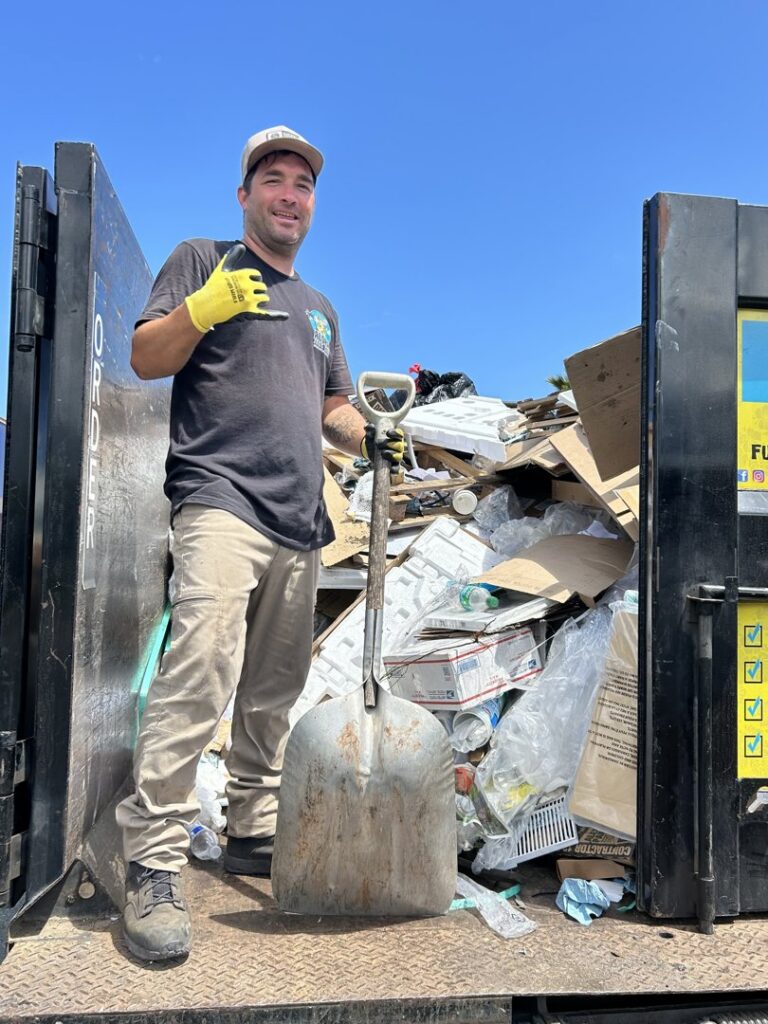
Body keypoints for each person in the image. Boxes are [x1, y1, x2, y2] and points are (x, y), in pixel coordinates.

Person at [116, 126, 405, 962]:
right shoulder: (201, 260)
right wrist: (201, 310)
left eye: (303, 185)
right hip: (218, 501)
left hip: (297, 516)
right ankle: (154, 860)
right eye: (273, 180)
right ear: (245, 196)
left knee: (274, 691)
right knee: (200, 669)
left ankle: (252, 827)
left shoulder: (320, 311)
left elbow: (332, 410)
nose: (289, 195)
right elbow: (144, 355)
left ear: (313, 204)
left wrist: (374, 434)